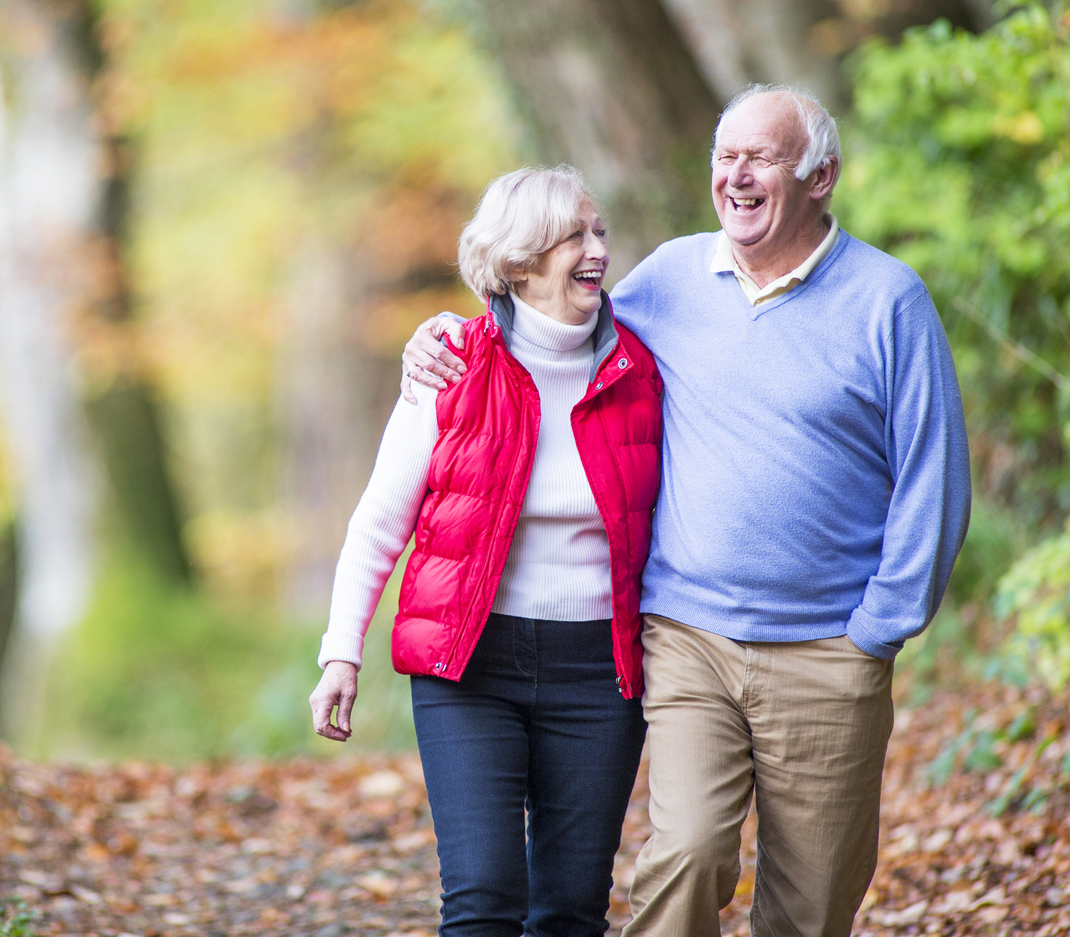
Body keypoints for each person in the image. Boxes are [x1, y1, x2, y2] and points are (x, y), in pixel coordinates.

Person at [402, 85, 972, 937]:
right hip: (687, 636)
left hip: (829, 650)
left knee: (812, 902)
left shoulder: (889, 302)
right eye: (725, 156)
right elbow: (554, 328)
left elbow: (935, 478)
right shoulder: (669, 277)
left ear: (822, 177)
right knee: (688, 858)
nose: (736, 176)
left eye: (762, 158)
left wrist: (878, 631)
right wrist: (448, 334)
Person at [308, 165, 663, 937]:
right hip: (471, 669)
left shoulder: (643, 367)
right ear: (517, 262)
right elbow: (378, 525)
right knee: (483, 897)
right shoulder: (451, 365)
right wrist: (341, 654)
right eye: (574, 234)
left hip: (600, 675)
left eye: (599, 230)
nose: (597, 247)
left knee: (570, 908)